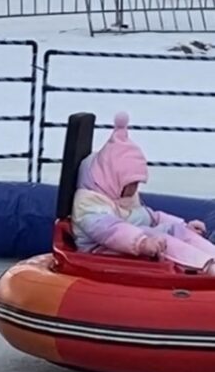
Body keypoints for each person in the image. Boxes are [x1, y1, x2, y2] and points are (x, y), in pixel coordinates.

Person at [72, 112, 215, 272]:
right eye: (131, 183)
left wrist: (182, 225)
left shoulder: (123, 198)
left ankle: (211, 256)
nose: (135, 189)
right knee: (159, 239)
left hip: (133, 243)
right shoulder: (89, 203)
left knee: (173, 231)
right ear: (112, 178)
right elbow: (110, 230)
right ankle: (205, 268)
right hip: (101, 251)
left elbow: (151, 218)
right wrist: (141, 241)